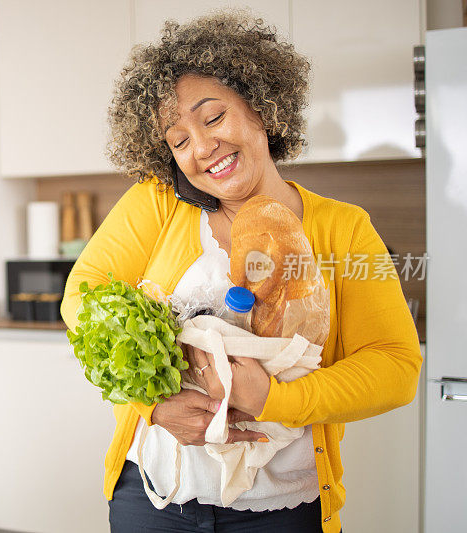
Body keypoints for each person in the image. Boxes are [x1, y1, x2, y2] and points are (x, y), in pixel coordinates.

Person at [60, 11, 422, 533]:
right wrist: (152, 403)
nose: (202, 148)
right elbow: (83, 297)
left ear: (261, 106)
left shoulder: (342, 228)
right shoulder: (157, 204)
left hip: (281, 510)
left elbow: (394, 366)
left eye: (212, 118)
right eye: (178, 140)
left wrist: (277, 400)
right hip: (155, 498)